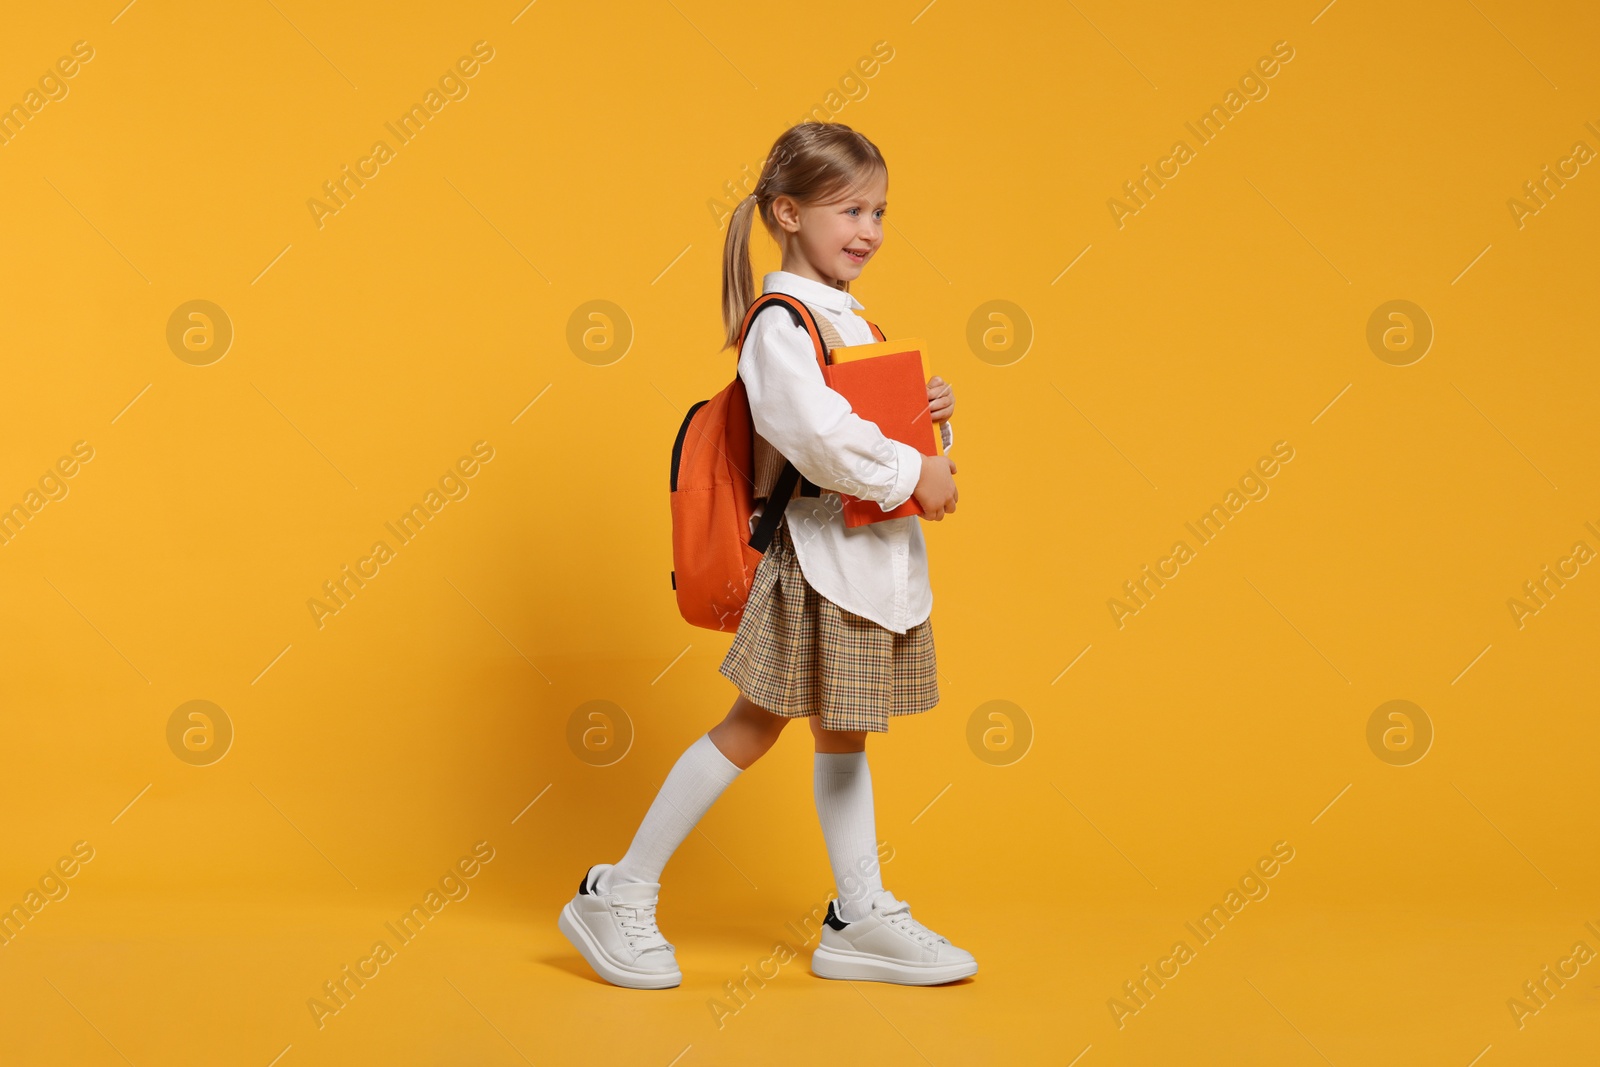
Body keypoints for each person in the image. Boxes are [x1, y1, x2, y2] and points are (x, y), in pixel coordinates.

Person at [558, 121, 975, 990]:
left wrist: (934, 417)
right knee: (754, 725)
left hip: (861, 557)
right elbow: (817, 437)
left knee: (844, 734)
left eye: (880, 210)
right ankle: (619, 890)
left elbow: (874, 426)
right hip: (818, 558)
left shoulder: (848, 317)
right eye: (850, 208)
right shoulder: (779, 325)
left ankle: (857, 914)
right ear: (787, 213)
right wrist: (914, 469)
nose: (871, 228)